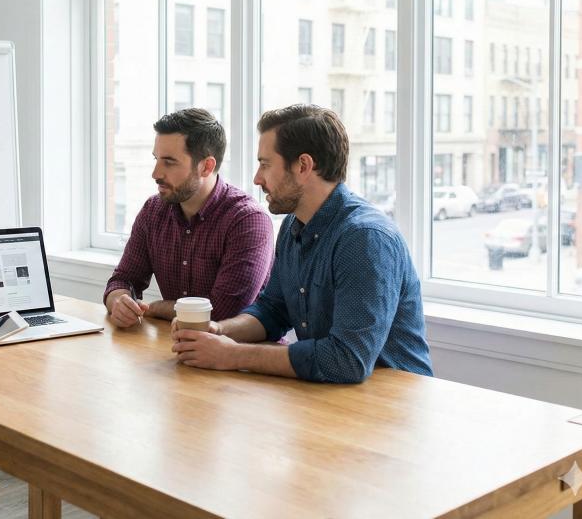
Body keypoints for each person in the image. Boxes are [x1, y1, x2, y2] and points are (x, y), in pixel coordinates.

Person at [171, 104, 433, 383]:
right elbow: (272, 310)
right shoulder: (292, 227)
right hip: (330, 398)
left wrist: (233, 355)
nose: (257, 179)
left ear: (303, 166)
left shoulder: (365, 238)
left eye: (265, 164)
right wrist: (219, 332)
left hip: (394, 407)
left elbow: (347, 360)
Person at [104, 108, 274, 327]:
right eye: (156, 160)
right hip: (177, 345)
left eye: (169, 162)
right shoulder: (153, 210)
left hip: (242, 354)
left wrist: (156, 308)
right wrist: (119, 301)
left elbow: (222, 313)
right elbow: (123, 279)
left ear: (206, 166)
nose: (155, 173)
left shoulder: (248, 220)